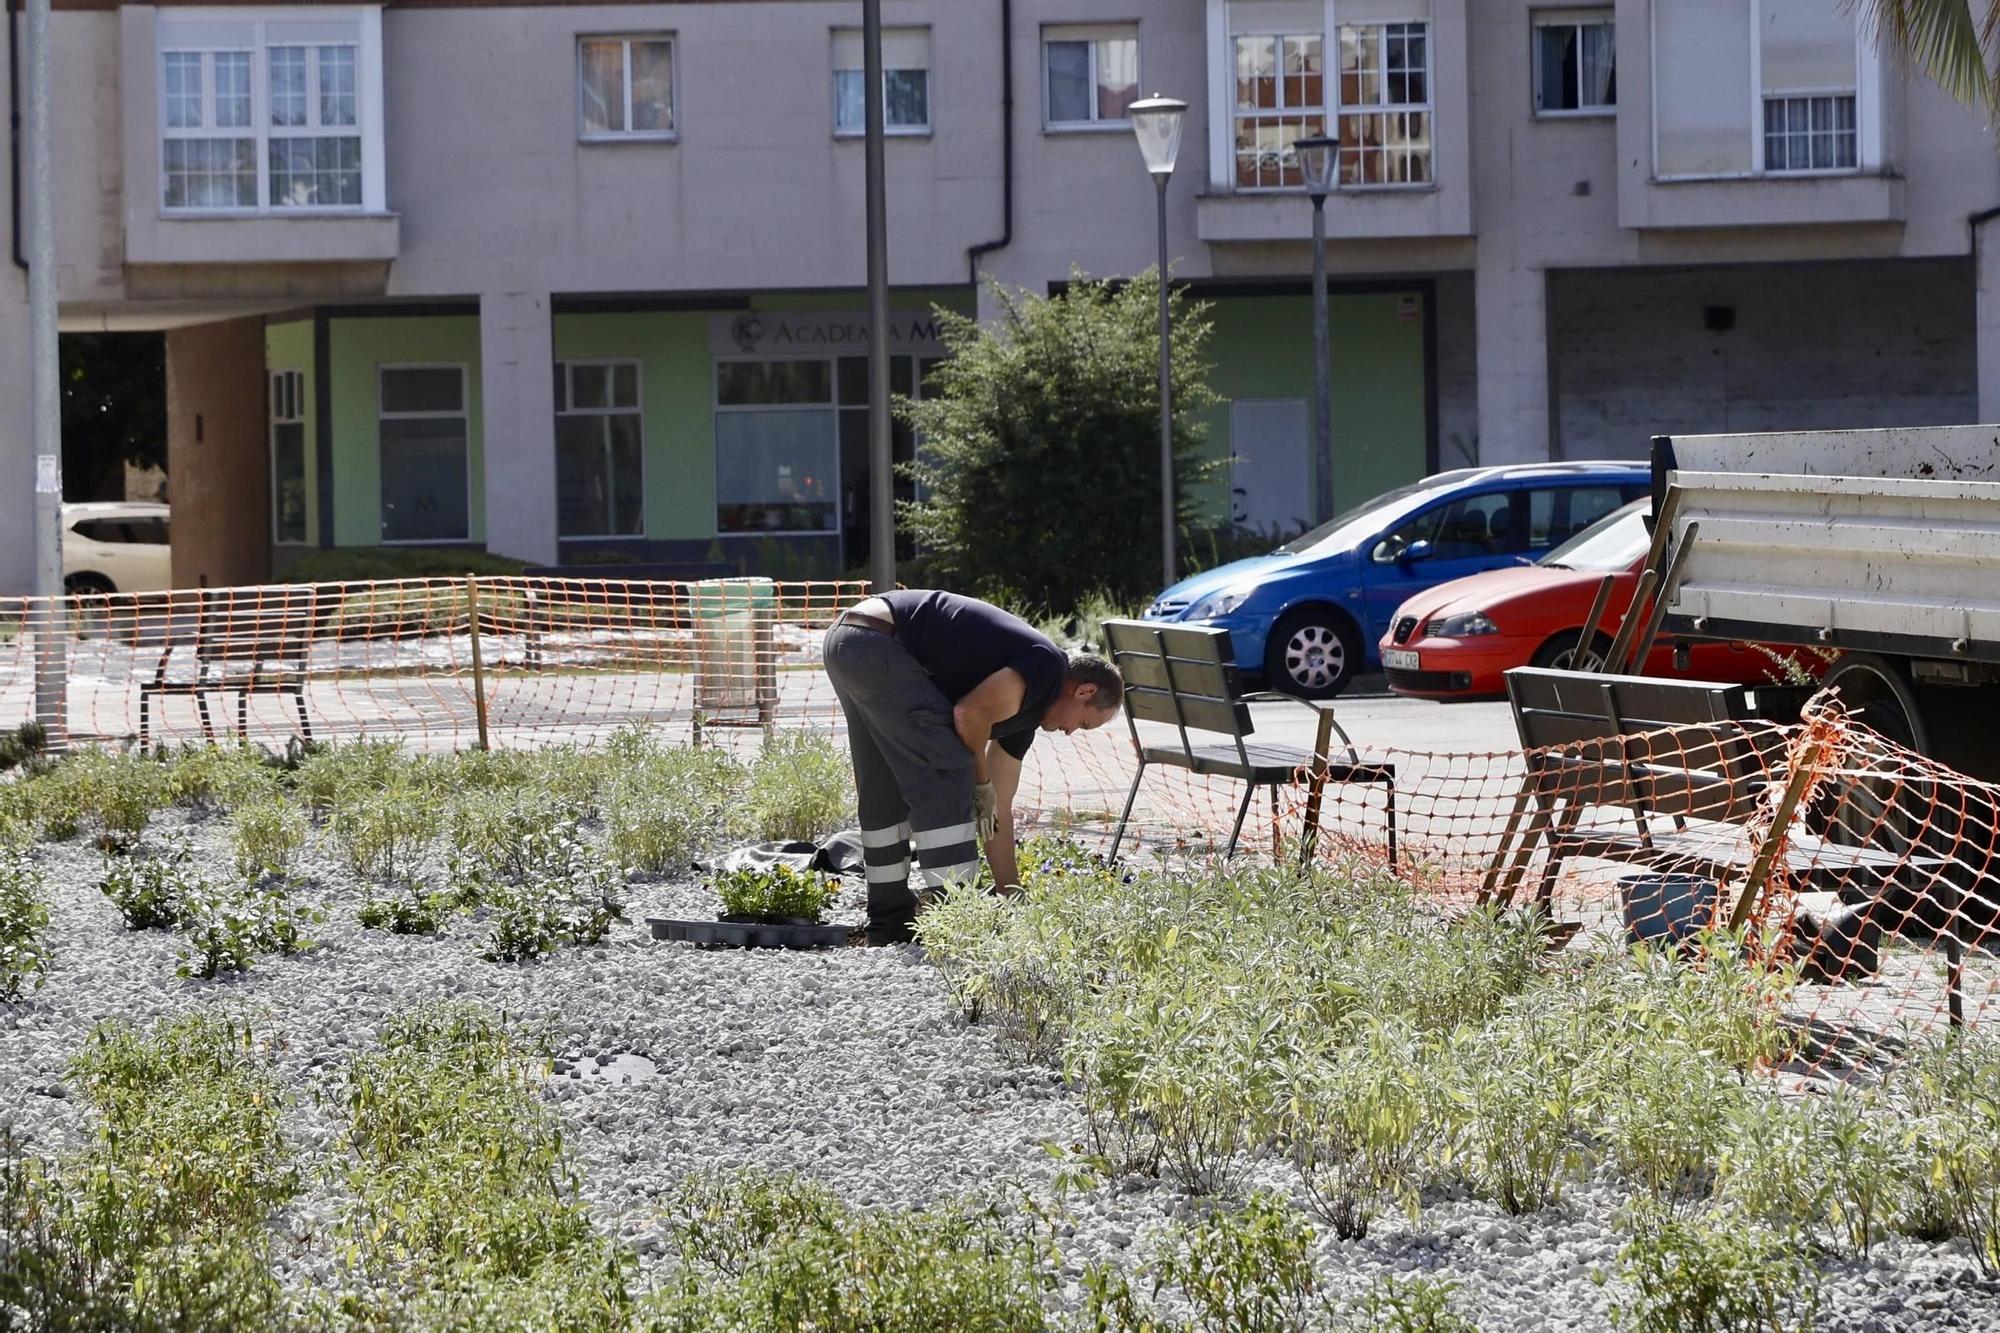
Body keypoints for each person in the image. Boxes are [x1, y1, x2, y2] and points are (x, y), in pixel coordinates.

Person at [822, 589, 1125, 943]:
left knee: (884, 789)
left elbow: (996, 810)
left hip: (849, 641)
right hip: (877, 644)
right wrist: (979, 782)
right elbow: (969, 714)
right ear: (1085, 691)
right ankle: (962, 925)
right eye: (1084, 724)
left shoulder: (1026, 715)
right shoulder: (1047, 669)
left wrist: (1009, 890)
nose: (1071, 732)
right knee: (947, 773)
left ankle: (888, 926)